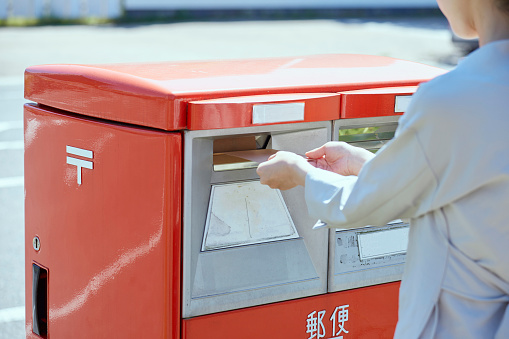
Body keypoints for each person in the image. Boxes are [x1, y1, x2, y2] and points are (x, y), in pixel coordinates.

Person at [256, 0, 509, 337]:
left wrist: (301, 173)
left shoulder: (453, 99)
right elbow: (464, 191)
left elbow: (362, 204)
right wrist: (362, 163)